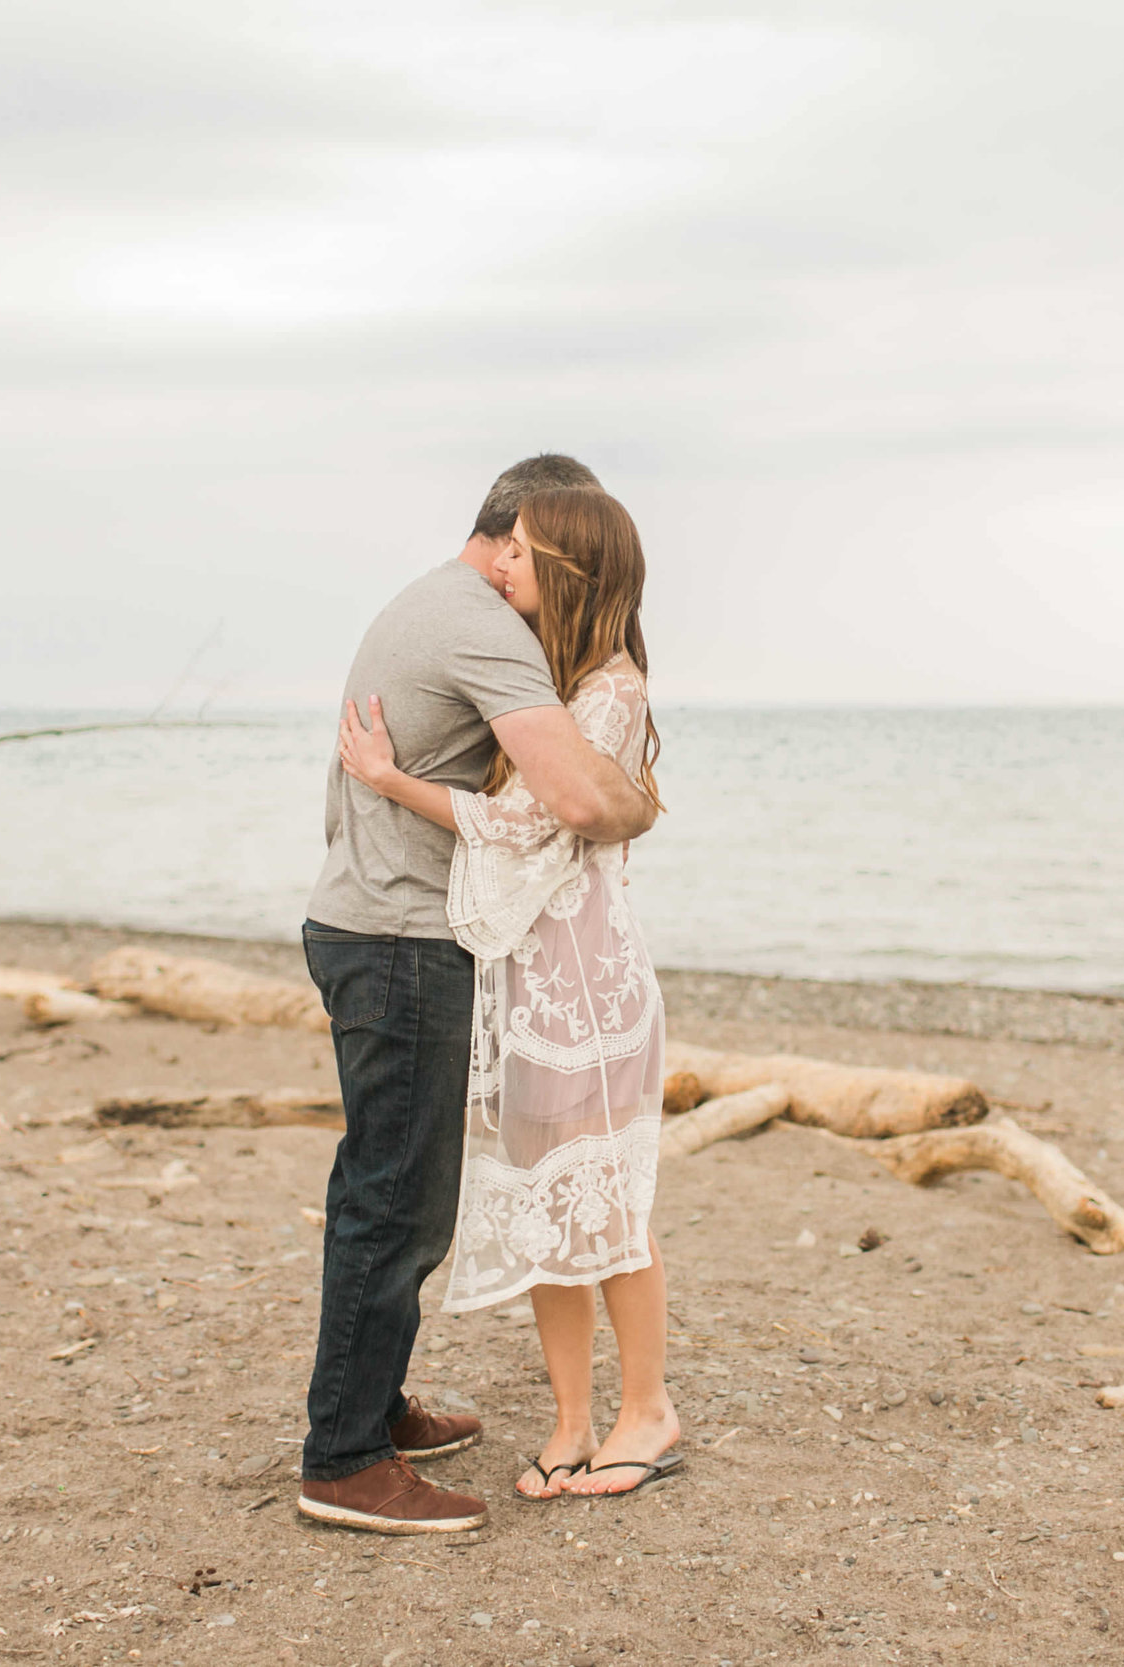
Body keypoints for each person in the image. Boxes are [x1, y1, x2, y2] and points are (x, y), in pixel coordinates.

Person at [295, 456, 659, 1535]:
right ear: (510, 535)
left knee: (394, 1188)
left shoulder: (436, 602)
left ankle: (374, 1407)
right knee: (396, 1201)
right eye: (531, 549)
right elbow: (581, 798)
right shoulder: (481, 625)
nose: (522, 575)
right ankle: (346, 1457)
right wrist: (639, 805)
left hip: (378, 926)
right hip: (398, 936)